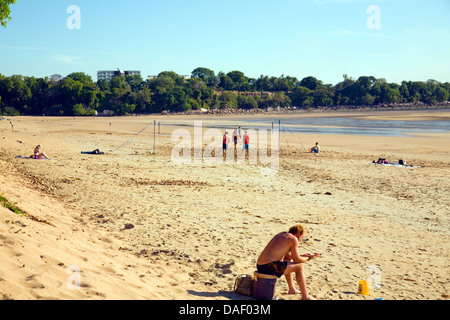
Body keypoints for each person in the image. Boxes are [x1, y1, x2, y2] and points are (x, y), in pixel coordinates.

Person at [256, 225, 320, 300]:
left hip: (260, 265)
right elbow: (297, 260)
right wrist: (308, 258)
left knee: (286, 260)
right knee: (299, 267)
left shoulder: (283, 235)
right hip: (269, 267)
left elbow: (288, 255)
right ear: (298, 233)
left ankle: (292, 289)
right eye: (302, 237)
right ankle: (305, 296)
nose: (301, 240)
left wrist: (302, 255)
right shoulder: (293, 239)